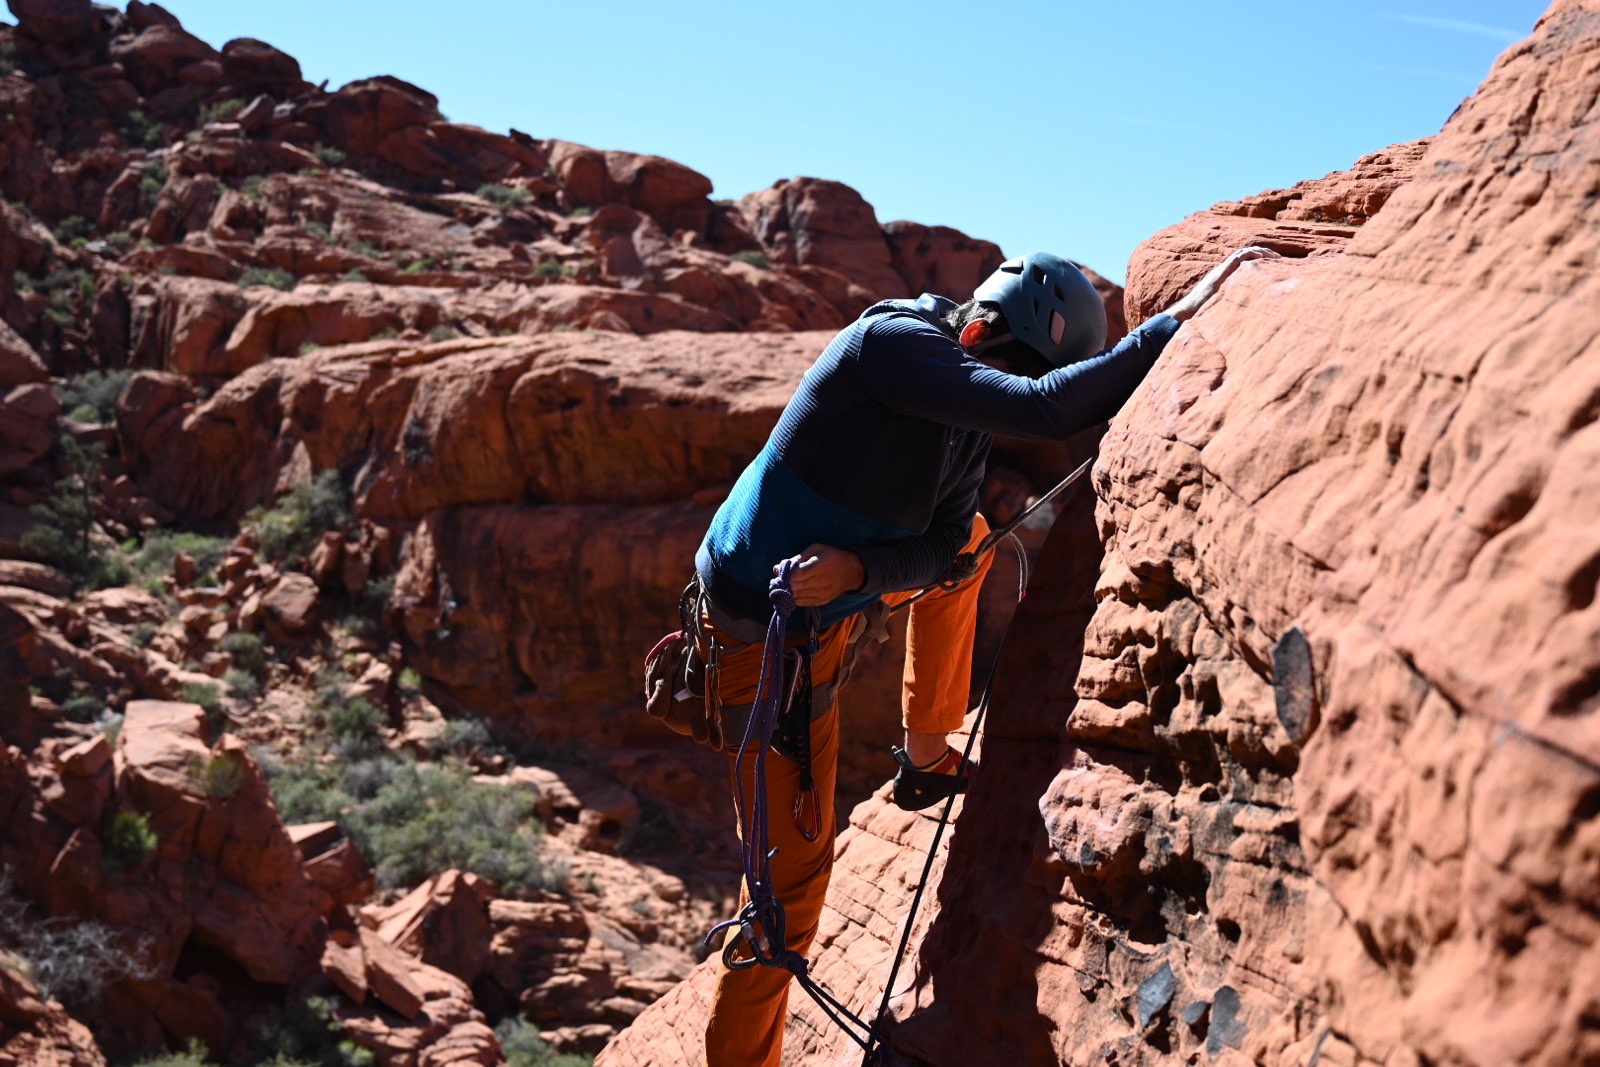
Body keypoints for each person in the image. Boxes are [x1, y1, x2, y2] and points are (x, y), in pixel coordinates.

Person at [690, 246, 1277, 1066]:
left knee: (968, 540)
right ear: (972, 330)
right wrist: (1186, 316)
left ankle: (926, 752)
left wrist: (859, 571)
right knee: (785, 901)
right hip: (764, 634)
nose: (987, 399)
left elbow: (938, 548)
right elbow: (1041, 409)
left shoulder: (960, 435)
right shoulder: (887, 345)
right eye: (999, 370)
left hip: (836, 590)